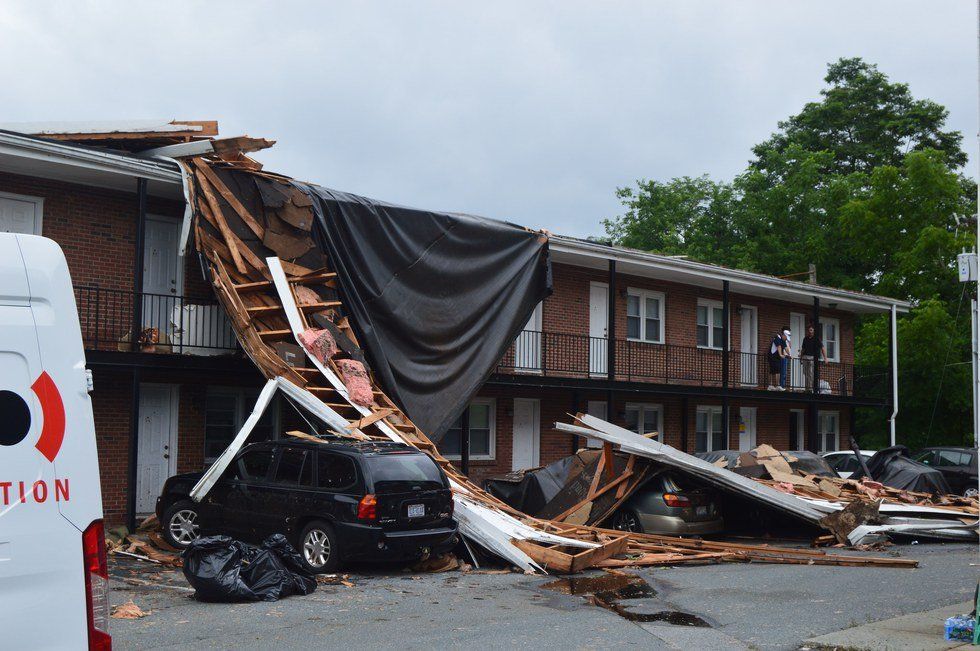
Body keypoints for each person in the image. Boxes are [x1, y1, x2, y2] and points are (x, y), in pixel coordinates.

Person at [800, 323, 828, 392]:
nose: (810, 331)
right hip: (805, 357)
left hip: (813, 358)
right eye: (809, 330)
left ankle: (811, 389)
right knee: (806, 373)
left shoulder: (816, 339)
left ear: (813, 331)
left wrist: (825, 358)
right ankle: (807, 389)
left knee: (811, 373)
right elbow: (803, 349)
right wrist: (801, 357)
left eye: (811, 330)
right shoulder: (805, 339)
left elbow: (822, 348)